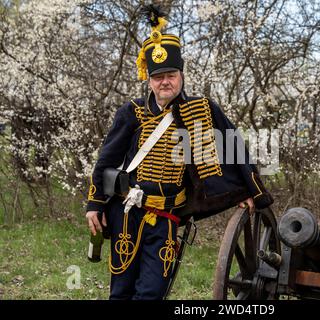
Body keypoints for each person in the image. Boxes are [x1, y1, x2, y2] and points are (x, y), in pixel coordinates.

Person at [85, 4, 273, 300]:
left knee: (152, 293)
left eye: (171, 74)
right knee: (120, 292)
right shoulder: (131, 112)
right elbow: (106, 159)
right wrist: (94, 204)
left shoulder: (201, 111)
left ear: (181, 75)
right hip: (128, 216)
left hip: (167, 219)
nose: (165, 81)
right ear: (149, 80)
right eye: (158, 76)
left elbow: (234, 146)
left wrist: (248, 190)